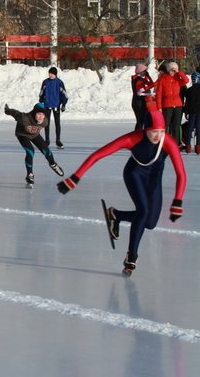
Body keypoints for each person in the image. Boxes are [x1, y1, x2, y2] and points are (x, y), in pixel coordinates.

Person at [57, 111, 186, 277]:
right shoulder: (132, 138)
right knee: (143, 210)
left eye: (161, 131)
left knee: (150, 223)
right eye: (154, 131)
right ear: (146, 129)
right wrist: (76, 177)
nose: (158, 135)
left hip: (154, 179)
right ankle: (131, 257)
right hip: (134, 174)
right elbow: (98, 154)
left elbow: (181, 173)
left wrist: (178, 201)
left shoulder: (167, 141)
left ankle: (115, 215)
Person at [4, 102, 64, 187]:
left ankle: (53, 164)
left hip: (35, 135)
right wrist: (7, 110)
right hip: (22, 135)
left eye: (43, 115)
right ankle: (30, 174)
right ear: (34, 113)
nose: (41, 117)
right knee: (30, 151)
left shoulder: (45, 122)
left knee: (46, 151)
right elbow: (14, 113)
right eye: (39, 114)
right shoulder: (24, 118)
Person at [154, 61, 189, 147]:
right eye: (172, 69)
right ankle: (164, 143)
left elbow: (186, 80)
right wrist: (159, 107)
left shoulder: (178, 80)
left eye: (175, 69)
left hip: (177, 105)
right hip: (167, 105)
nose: (173, 71)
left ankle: (175, 144)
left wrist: (179, 72)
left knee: (176, 126)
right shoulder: (162, 79)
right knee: (165, 125)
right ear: (168, 70)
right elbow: (159, 94)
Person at [39, 67, 69, 149]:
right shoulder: (45, 82)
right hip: (47, 105)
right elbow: (42, 93)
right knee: (46, 123)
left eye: (52, 73)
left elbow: (64, 94)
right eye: (49, 73)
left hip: (56, 105)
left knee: (57, 123)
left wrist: (63, 104)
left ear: (55, 74)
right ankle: (47, 140)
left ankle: (58, 140)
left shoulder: (59, 82)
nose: (50, 75)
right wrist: (41, 101)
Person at [130, 63, 155, 130]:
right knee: (141, 121)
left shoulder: (135, 79)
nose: (145, 72)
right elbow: (151, 84)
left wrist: (147, 76)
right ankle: (138, 135)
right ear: (141, 71)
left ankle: (138, 134)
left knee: (140, 121)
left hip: (136, 101)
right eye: (144, 71)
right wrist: (150, 94)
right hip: (139, 102)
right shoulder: (139, 80)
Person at [183, 68, 200, 154]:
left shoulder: (189, 90)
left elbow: (187, 103)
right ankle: (198, 147)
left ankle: (188, 146)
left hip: (192, 112)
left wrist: (186, 112)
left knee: (190, 129)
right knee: (199, 129)